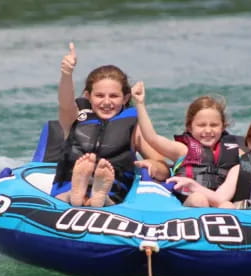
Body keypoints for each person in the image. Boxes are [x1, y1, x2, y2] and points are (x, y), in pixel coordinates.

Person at [51, 43, 169, 207]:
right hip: (68, 186)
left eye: (114, 96)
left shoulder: (134, 126)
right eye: (99, 95)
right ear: (88, 96)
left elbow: (164, 168)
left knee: (104, 199)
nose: (106, 102)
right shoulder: (74, 118)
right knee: (67, 196)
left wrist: (154, 166)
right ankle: (77, 192)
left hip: (112, 192)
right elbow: (65, 103)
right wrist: (66, 74)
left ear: (126, 98)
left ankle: (98, 196)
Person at [131, 81, 244, 207]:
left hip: (219, 201)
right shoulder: (183, 150)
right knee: (199, 199)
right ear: (190, 127)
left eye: (214, 125)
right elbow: (152, 138)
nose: (208, 130)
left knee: (227, 205)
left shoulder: (235, 152)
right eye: (201, 125)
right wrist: (139, 103)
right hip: (188, 203)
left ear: (223, 127)